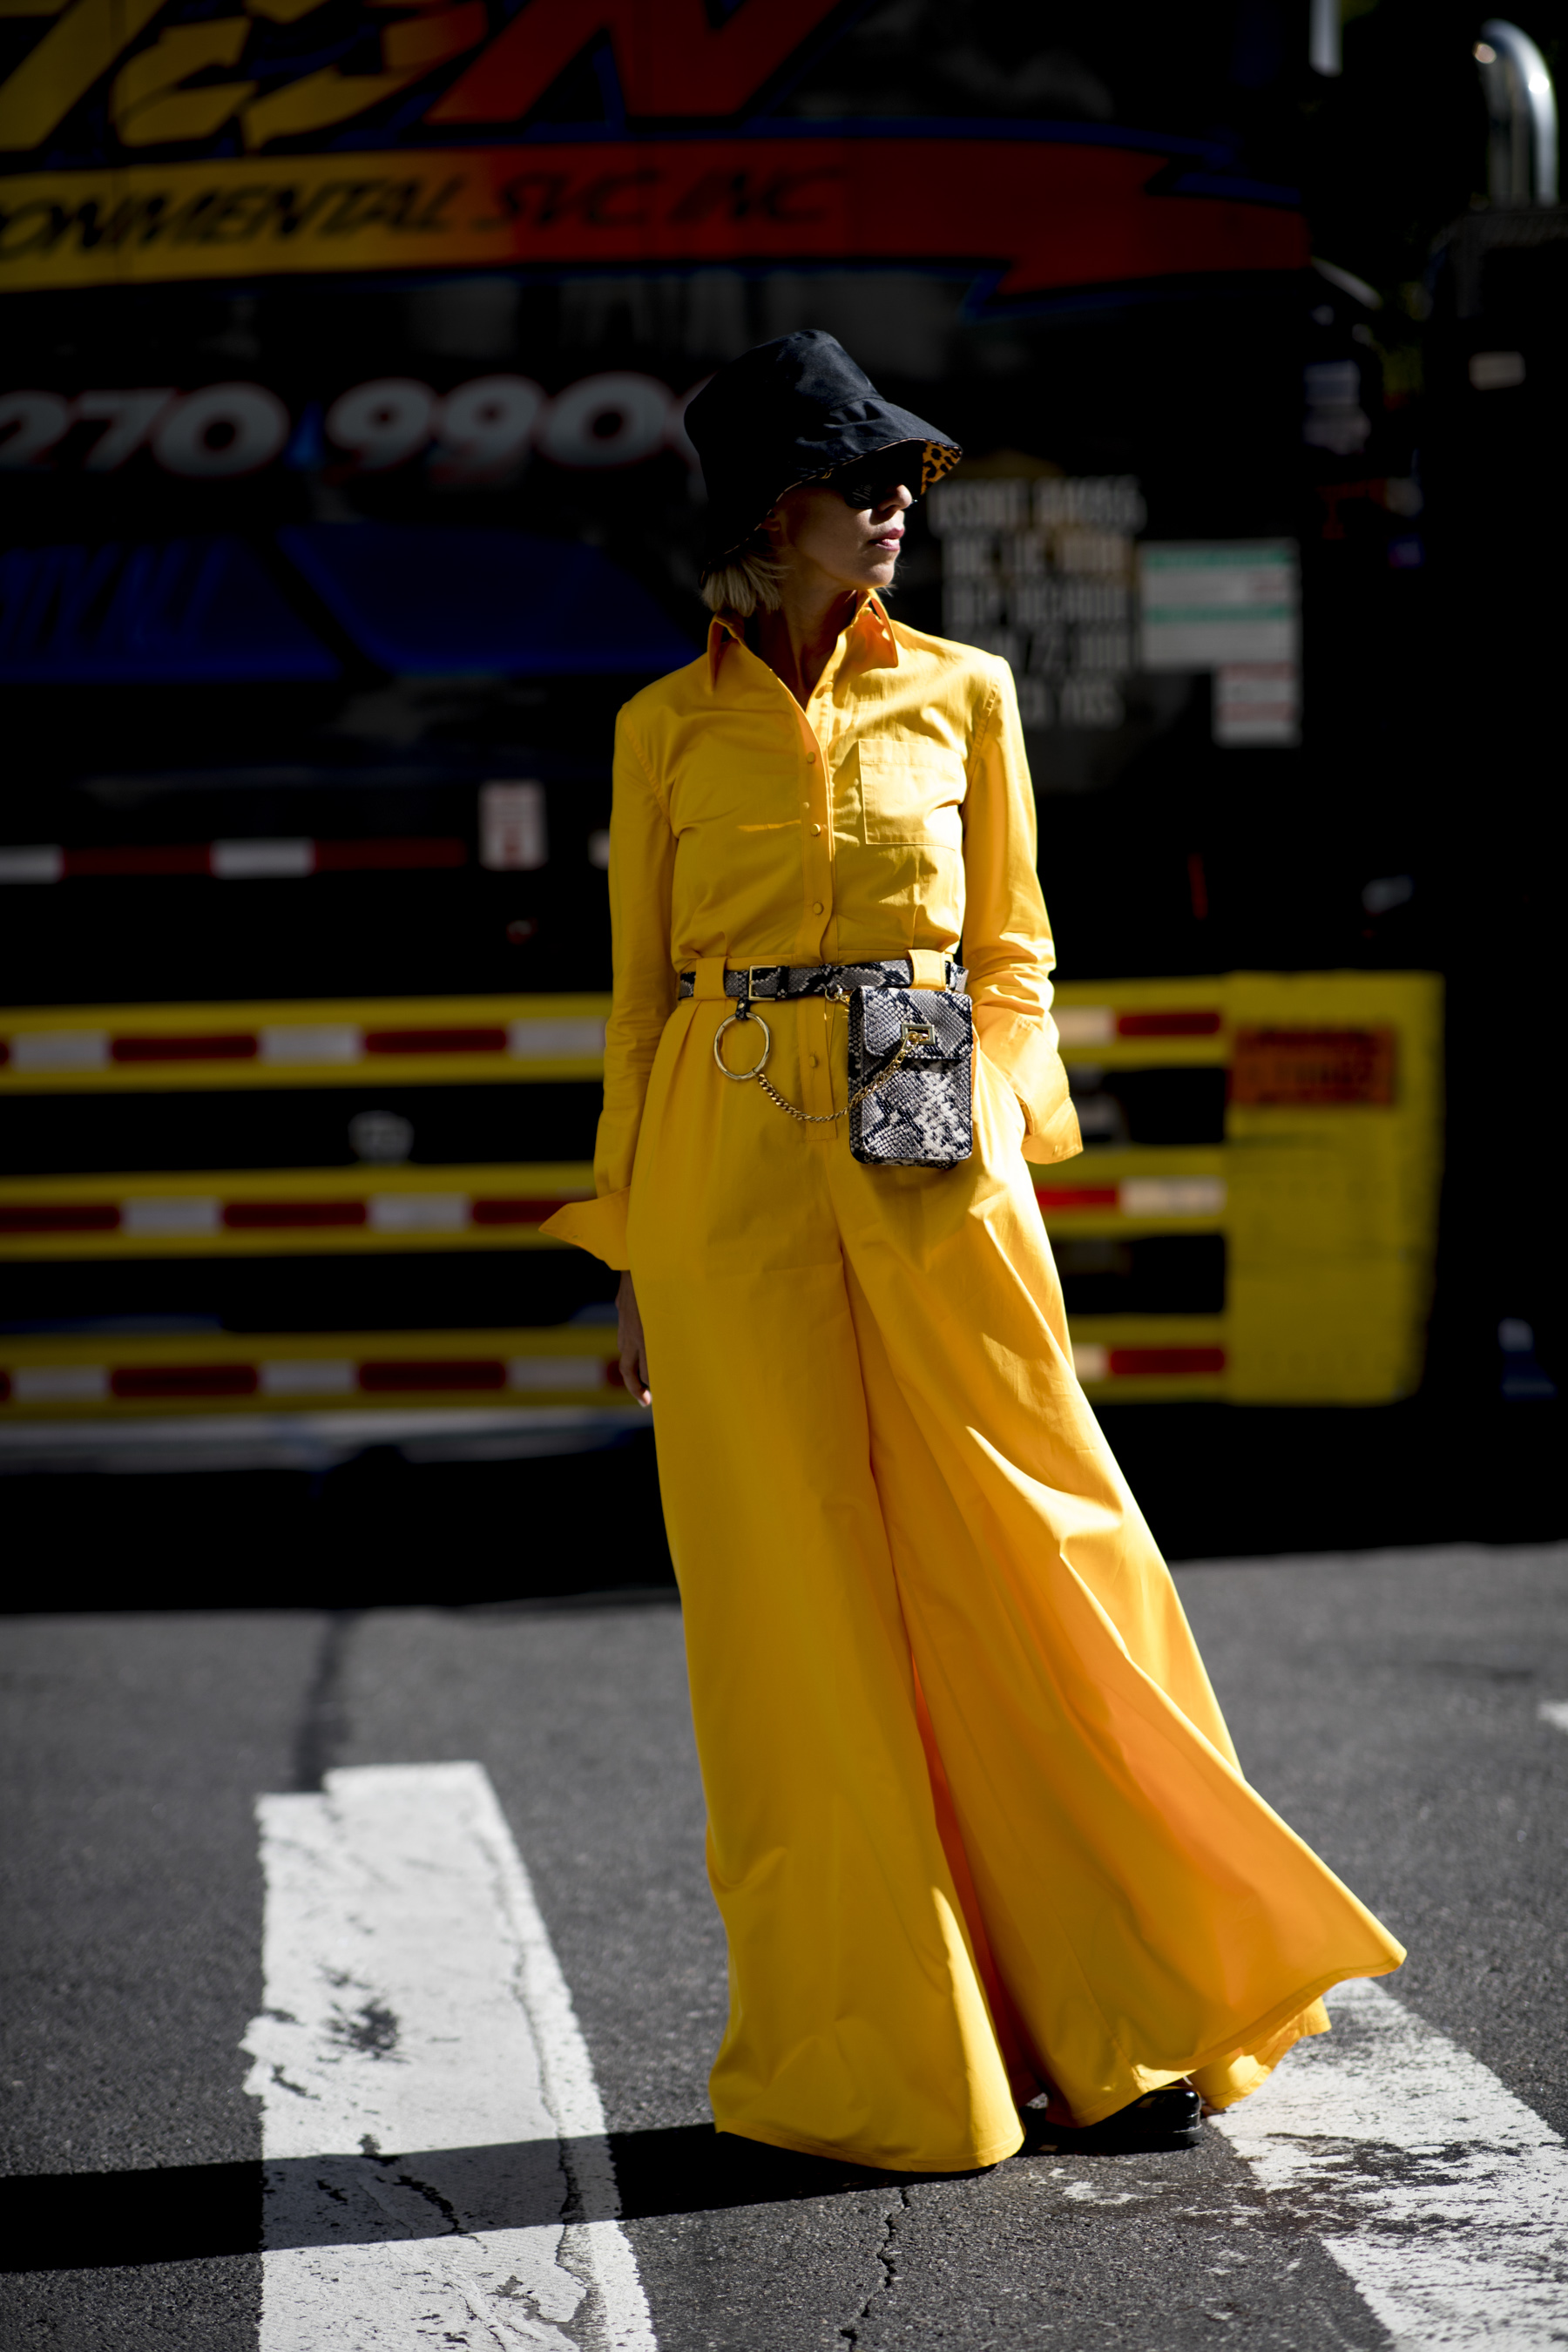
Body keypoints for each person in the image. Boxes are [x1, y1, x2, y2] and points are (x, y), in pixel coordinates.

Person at [542, 330, 1404, 2173]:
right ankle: (876, 2053)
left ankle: (1139, 1999)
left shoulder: (966, 693)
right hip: (720, 1166)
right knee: (792, 1629)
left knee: (1040, 1554)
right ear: (780, 514)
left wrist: (992, 1119)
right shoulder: (658, 730)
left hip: (930, 1130)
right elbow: (634, 1010)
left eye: (904, 477)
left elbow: (1013, 961)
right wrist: (628, 1243)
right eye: (868, 482)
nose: (900, 503)